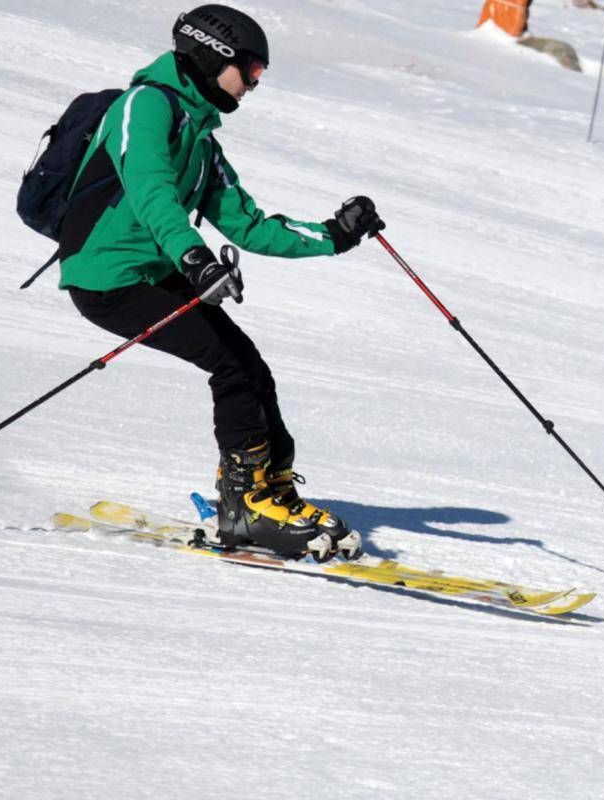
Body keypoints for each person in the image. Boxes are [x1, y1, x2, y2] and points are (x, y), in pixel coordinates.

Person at [58, 5, 383, 559]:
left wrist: (335, 234)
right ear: (214, 55)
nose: (255, 82)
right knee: (230, 366)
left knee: (249, 366)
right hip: (107, 278)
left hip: (156, 272)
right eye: (251, 69)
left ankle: (271, 490)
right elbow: (151, 190)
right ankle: (245, 508)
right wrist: (194, 258)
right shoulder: (144, 106)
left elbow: (248, 223)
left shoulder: (201, 137)